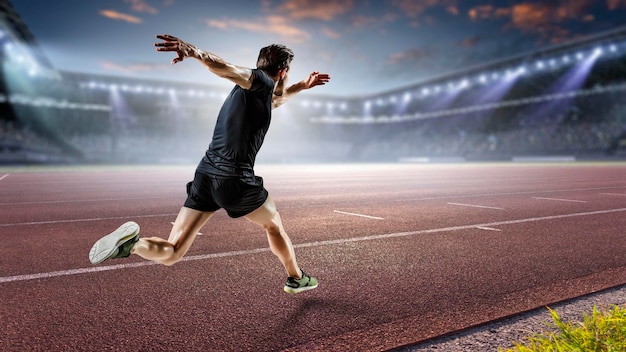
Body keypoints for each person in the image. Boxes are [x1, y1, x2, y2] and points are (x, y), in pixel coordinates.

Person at [89, 34, 330, 294]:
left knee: (173, 252)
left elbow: (277, 99)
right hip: (235, 180)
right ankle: (295, 278)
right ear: (283, 72)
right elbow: (226, 68)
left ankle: (131, 245)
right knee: (273, 225)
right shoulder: (257, 80)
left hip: (205, 174)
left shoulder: (256, 94)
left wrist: (302, 86)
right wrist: (194, 52)